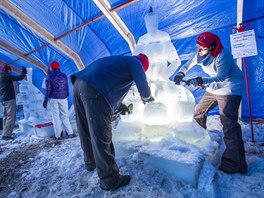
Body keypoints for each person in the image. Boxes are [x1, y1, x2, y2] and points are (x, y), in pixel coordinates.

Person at [71, 54, 154, 191]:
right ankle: (110, 179)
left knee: (85, 128)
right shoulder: (135, 62)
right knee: (101, 133)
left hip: (79, 84)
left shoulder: (119, 61)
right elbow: (141, 81)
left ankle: (91, 162)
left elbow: (110, 85)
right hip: (94, 90)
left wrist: (119, 105)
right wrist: (147, 97)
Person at [174, 32, 247, 174]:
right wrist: (180, 74)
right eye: (197, 47)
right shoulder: (200, 53)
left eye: (202, 48)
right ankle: (200, 141)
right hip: (215, 88)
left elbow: (221, 77)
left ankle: (234, 163)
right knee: (199, 112)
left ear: (212, 47)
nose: (199, 51)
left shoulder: (223, 55)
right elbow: (188, 64)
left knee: (229, 125)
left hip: (230, 87)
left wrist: (200, 80)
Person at [43, 61, 75, 140]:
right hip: (63, 98)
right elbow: (66, 87)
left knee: (56, 116)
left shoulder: (49, 77)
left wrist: (45, 100)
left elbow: (48, 90)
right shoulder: (64, 76)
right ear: (59, 67)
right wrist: (66, 94)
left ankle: (58, 135)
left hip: (53, 98)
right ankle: (70, 133)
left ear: (51, 68)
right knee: (65, 116)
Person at [0, 65, 27, 140]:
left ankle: (5, 133)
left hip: (3, 99)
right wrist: (23, 72)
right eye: (10, 70)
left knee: (6, 116)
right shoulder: (6, 76)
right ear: (7, 71)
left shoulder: (1, 76)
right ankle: (7, 135)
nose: (11, 72)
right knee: (11, 116)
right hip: (9, 99)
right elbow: (18, 78)